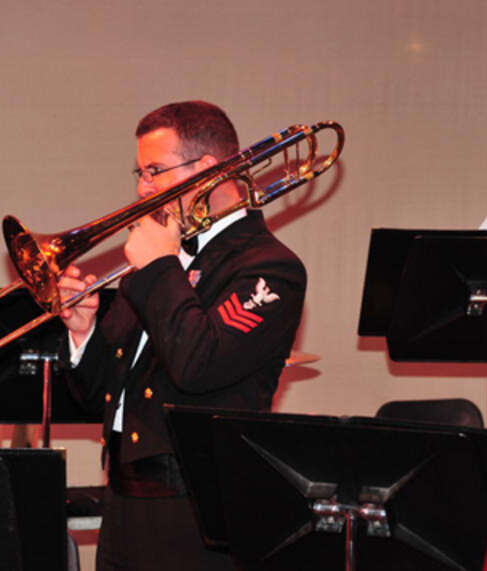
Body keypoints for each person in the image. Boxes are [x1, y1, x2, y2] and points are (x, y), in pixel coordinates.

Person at [59, 100, 307, 570]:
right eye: (140, 171)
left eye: (155, 170)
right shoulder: (156, 264)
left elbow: (199, 365)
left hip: (196, 512)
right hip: (124, 504)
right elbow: (96, 399)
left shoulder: (269, 266)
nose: (141, 187)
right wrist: (84, 332)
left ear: (208, 171)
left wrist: (159, 266)